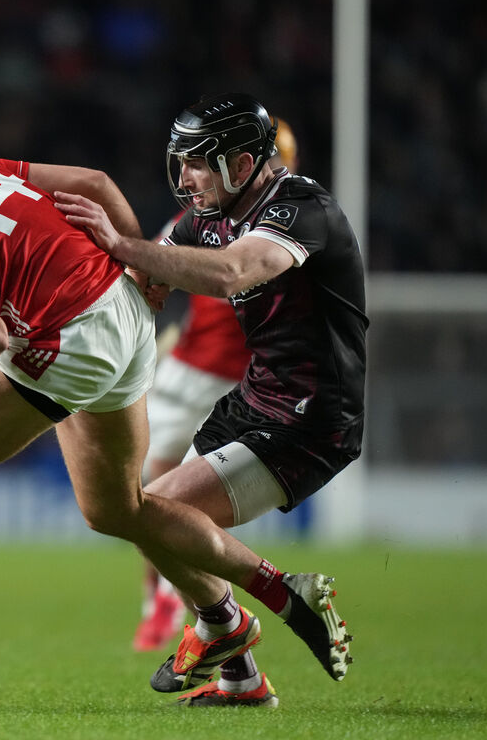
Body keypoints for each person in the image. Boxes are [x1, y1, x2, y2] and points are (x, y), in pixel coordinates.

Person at [0, 131, 351, 709]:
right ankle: (260, 615)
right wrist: (143, 272)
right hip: (124, 308)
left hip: (69, 339)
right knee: (117, 508)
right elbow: (96, 184)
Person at [55, 93, 363, 707]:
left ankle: (271, 601)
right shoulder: (209, 216)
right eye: (181, 162)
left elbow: (231, 273)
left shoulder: (302, 209)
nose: (185, 177)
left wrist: (125, 246)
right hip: (254, 400)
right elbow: (154, 267)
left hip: (312, 417)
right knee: (147, 516)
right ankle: (241, 679)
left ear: (244, 163)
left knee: (147, 511)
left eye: (197, 163)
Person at [134, 117, 300, 653]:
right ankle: (158, 603)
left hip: (243, 383)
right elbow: (151, 266)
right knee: (144, 495)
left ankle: (213, 615)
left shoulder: (290, 226)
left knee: (181, 500)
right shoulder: (195, 219)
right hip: (186, 371)